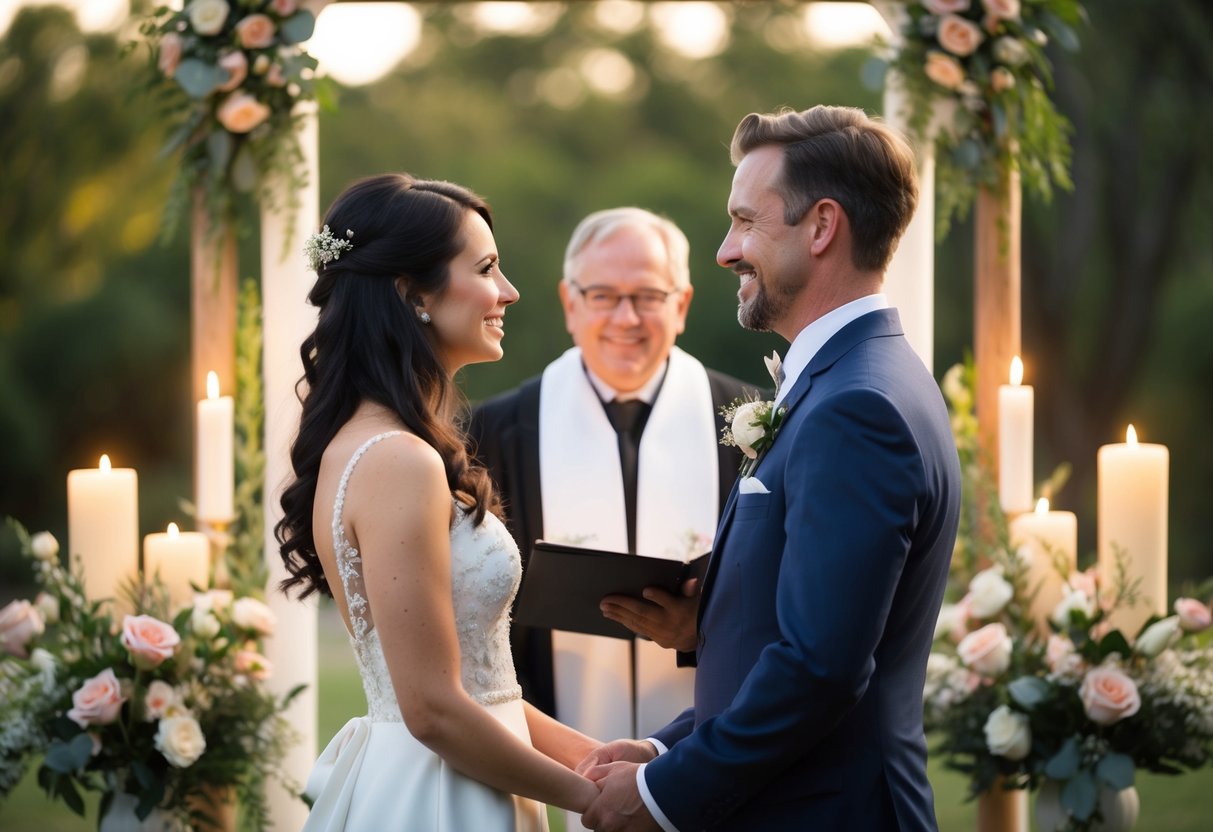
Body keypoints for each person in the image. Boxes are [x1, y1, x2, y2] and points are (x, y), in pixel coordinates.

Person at [579, 106, 963, 831]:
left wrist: (664, 793)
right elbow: (791, 635)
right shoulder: (849, 379)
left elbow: (820, 668)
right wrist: (668, 746)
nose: (725, 251)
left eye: (746, 222)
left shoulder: (858, 406)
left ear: (821, 227)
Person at [275, 173, 600, 831]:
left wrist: (597, 762)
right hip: (440, 796)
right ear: (410, 293)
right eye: (485, 268)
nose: (508, 291)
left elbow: (484, 686)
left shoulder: (378, 444)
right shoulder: (397, 460)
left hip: (466, 771)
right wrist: (596, 805)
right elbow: (430, 708)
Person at [468, 208, 751, 803]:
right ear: (570, 303)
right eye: (602, 295)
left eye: (648, 295)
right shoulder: (492, 432)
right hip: (545, 756)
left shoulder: (750, 423)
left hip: (711, 749)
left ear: (683, 303)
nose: (626, 318)